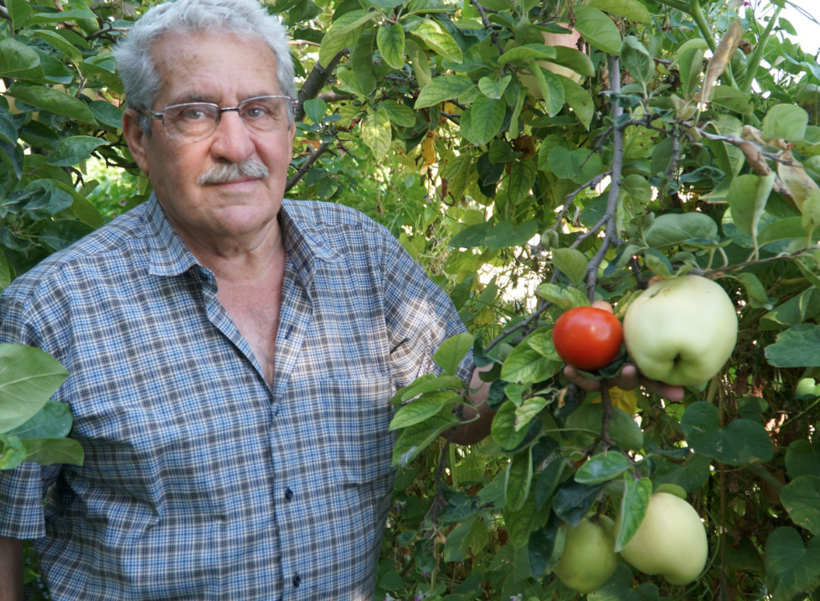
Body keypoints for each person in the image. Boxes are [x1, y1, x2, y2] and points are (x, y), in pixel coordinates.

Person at [0, 0, 493, 598]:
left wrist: (566, 365)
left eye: (259, 110)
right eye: (195, 114)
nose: (236, 146)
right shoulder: (52, 312)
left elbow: (466, 413)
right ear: (139, 136)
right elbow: (5, 534)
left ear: (289, 125)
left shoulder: (364, 256)